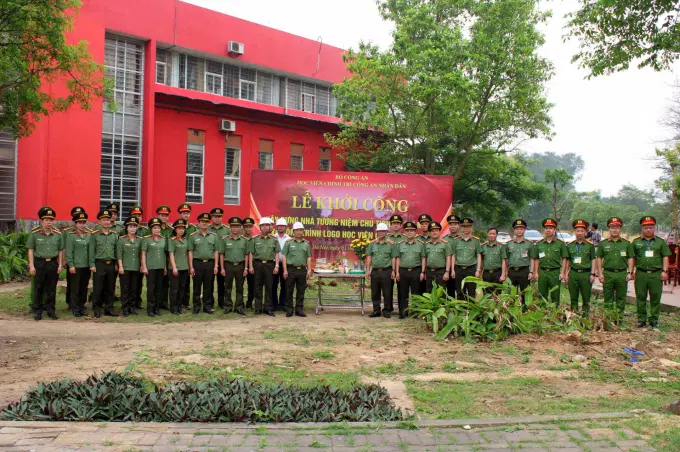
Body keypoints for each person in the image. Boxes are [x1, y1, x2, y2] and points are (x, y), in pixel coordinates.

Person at [632, 216, 671, 328]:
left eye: (650, 227)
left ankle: (654, 319)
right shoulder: (636, 242)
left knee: (655, 297)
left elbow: (665, 257)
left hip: (656, 273)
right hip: (641, 273)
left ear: (654, 228)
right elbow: (632, 257)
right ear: (642, 228)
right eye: (646, 228)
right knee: (640, 296)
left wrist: (664, 271)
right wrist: (632, 271)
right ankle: (641, 319)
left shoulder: (660, 242)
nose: (648, 230)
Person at [27, 207, 63, 320]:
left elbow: (60, 250)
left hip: (52, 263)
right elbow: (30, 250)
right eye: (46, 220)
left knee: (51, 288)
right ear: (41, 221)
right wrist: (31, 265)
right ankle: (38, 310)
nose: (49, 222)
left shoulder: (57, 234)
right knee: (39, 287)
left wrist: (60, 264)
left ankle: (50, 310)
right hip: (40, 263)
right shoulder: (35, 234)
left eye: (51, 220)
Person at [597, 217, 635, 322]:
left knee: (621, 297)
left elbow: (631, 258)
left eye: (617, 227)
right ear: (609, 229)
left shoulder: (626, 244)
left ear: (620, 229)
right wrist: (600, 273)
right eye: (612, 227)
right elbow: (599, 258)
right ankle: (608, 318)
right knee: (608, 296)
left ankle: (619, 318)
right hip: (608, 273)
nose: (615, 230)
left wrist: (630, 272)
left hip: (621, 274)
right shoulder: (603, 243)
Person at [89, 209, 120, 318]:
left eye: (108, 220)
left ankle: (109, 307)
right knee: (98, 287)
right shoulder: (94, 235)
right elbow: (91, 250)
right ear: (100, 221)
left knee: (110, 287)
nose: (106, 222)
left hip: (111, 263)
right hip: (99, 263)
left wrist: (116, 264)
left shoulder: (114, 235)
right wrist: (92, 264)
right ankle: (97, 308)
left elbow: (116, 250)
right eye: (104, 220)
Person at [532, 218, 569, 304]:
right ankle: (542, 310)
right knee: (542, 294)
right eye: (546, 228)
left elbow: (564, 259)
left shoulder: (560, 243)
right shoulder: (539, 243)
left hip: (554, 272)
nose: (548, 230)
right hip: (542, 272)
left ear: (555, 230)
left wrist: (562, 273)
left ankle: (555, 310)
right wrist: (536, 273)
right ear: (544, 230)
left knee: (555, 294)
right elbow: (536, 259)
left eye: (550, 228)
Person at [188, 213, 219, 314]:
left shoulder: (213, 236)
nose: (204, 223)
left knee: (208, 286)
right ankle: (196, 307)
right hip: (197, 263)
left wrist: (216, 265)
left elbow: (216, 251)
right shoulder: (193, 236)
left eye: (206, 222)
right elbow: (190, 251)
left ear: (209, 223)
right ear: (199, 223)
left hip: (210, 263)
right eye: (202, 221)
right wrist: (191, 267)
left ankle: (207, 306)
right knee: (197, 286)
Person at [565, 219, 597, 315]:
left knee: (586, 297)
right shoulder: (569, 246)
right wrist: (566, 274)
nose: (579, 233)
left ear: (586, 232)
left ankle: (585, 316)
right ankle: (573, 315)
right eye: (577, 231)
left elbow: (593, 259)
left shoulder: (590, 246)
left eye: (582, 231)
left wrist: (593, 274)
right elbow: (568, 261)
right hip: (573, 273)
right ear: (574, 232)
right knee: (573, 296)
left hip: (585, 274)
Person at [366, 222, 397, 318]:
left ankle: (387, 310)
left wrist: (393, 270)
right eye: (379, 231)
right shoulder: (372, 244)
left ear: (386, 232)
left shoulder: (391, 244)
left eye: (383, 231)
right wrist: (368, 270)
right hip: (375, 271)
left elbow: (393, 258)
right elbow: (369, 257)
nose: (381, 233)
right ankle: (376, 310)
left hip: (386, 271)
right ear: (377, 232)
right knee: (375, 292)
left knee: (387, 292)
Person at [250, 217, 280, 316]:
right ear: (260, 227)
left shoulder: (274, 239)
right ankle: (258, 308)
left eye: (267, 225)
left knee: (269, 286)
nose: (265, 227)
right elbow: (251, 253)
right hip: (257, 264)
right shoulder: (255, 239)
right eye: (263, 225)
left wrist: (276, 266)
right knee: (257, 286)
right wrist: (250, 266)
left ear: (270, 227)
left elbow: (276, 253)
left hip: (269, 265)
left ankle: (268, 308)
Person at [394, 221, 425, 319]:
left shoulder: (420, 244)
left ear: (415, 232)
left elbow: (423, 258)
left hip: (416, 270)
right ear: (404, 232)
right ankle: (403, 312)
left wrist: (423, 272)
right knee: (403, 292)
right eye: (407, 231)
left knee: (416, 292)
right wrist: (397, 272)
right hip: (403, 271)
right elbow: (398, 258)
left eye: (412, 230)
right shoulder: (400, 244)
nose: (409, 232)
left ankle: (415, 312)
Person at [282, 222, 312, 317]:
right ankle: (289, 309)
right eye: (297, 230)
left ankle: (299, 309)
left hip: (302, 270)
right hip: (291, 269)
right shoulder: (288, 243)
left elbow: (308, 257)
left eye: (301, 230)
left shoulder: (306, 244)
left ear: (303, 231)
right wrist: (285, 270)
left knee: (301, 290)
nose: (299, 232)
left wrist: (309, 270)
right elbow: (284, 256)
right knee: (289, 290)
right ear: (293, 231)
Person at [220, 216, 249, 315]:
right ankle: (228, 306)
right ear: (230, 227)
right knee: (227, 287)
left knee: (240, 287)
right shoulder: (225, 240)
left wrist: (246, 268)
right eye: (233, 226)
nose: (235, 228)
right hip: (228, 265)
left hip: (240, 266)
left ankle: (239, 306)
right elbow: (221, 254)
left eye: (237, 226)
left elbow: (246, 255)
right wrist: (222, 268)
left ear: (240, 228)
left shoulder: (244, 240)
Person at [66, 210, 92, 317]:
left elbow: (91, 251)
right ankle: (75, 307)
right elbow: (69, 252)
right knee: (75, 288)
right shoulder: (71, 236)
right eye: (80, 223)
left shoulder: (89, 235)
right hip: (76, 265)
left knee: (84, 287)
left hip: (86, 265)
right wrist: (71, 265)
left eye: (84, 222)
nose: (82, 225)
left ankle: (82, 306)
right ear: (75, 224)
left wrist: (91, 264)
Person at [450, 217, 482, 300]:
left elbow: (478, 255)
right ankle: (461, 307)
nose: (466, 229)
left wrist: (478, 270)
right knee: (460, 291)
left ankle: (471, 307)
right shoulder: (456, 240)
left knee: (471, 292)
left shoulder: (476, 240)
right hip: (459, 269)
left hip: (471, 269)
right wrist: (453, 270)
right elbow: (453, 255)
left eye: (468, 226)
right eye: (464, 226)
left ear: (471, 228)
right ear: (461, 228)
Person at [141, 217, 167, 317]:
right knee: (151, 289)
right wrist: (144, 267)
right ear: (151, 229)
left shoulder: (163, 239)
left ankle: (157, 308)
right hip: (151, 267)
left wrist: (165, 267)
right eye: (155, 228)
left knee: (159, 288)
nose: (157, 230)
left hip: (160, 267)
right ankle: (150, 309)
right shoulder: (146, 240)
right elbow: (143, 254)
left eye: (158, 228)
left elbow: (164, 254)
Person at [116, 217, 142, 317]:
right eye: (130, 226)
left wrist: (141, 266)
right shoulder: (121, 240)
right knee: (125, 289)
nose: (133, 228)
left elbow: (141, 254)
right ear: (126, 228)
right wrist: (120, 267)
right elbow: (119, 255)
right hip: (125, 267)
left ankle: (132, 307)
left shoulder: (139, 240)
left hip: (136, 267)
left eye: (134, 226)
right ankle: (125, 308)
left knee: (134, 288)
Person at [62, 205, 86, 310]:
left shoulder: (87, 231)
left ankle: (80, 303)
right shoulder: (67, 232)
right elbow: (64, 247)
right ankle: (70, 302)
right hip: (71, 260)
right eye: (76, 215)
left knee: (82, 283)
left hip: (83, 261)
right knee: (71, 282)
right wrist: (64, 260)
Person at [505, 219, 534, 306]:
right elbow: (506, 259)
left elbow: (532, 258)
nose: (519, 231)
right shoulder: (509, 244)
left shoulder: (529, 244)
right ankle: (511, 309)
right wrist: (505, 271)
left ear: (525, 230)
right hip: (512, 271)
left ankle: (524, 310)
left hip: (524, 271)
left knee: (525, 292)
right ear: (514, 230)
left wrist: (531, 272)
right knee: (511, 293)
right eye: (517, 229)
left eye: (521, 229)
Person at [168, 218, 189, 315]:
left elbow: (187, 254)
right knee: (174, 289)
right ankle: (173, 307)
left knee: (182, 288)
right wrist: (174, 267)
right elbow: (171, 254)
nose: (181, 230)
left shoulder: (185, 240)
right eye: (179, 228)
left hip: (184, 267)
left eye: (183, 228)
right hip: (175, 268)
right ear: (175, 229)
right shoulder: (172, 240)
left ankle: (179, 306)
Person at [129, 205, 149, 309]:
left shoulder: (145, 231)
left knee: (139, 282)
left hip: (141, 260)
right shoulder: (126, 229)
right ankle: (128, 302)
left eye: (139, 215)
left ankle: (137, 302)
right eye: (135, 215)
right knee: (129, 283)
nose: (137, 217)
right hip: (129, 260)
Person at [209, 208, 228, 309]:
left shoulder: (226, 230)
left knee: (222, 282)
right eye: (215, 216)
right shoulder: (207, 229)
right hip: (211, 259)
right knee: (209, 282)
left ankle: (222, 302)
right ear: (211, 217)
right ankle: (210, 302)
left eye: (219, 216)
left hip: (223, 259)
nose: (217, 218)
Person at [423, 221, 451, 294]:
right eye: (432, 231)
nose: (434, 232)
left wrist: (447, 272)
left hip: (440, 271)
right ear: (429, 233)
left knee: (441, 292)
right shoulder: (427, 244)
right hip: (429, 271)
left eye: (436, 230)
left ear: (439, 231)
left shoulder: (445, 244)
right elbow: (424, 258)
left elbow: (448, 258)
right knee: (429, 292)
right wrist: (424, 272)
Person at [178, 203, 196, 309]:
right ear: (180, 214)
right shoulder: (176, 227)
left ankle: (186, 302)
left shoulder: (193, 228)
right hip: (180, 256)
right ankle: (178, 301)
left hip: (190, 255)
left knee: (187, 281)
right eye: (183, 213)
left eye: (187, 213)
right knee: (179, 281)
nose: (185, 215)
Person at [156, 205, 173, 310]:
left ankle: (164, 302)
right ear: (158, 216)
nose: (164, 217)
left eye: (166, 215)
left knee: (166, 281)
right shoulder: (154, 228)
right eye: (162, 215)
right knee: (157, 281)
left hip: (168, 257)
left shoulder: (171, 230)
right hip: (157, 256)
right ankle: (156, 302)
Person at [480, 227, 508, 292]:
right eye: (490, 234)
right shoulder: (483, 246)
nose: (491, 235)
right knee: (486, 292)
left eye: (493, 234)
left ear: (496, 235)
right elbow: (481, 260)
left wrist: (503, 274)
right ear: (487, 234)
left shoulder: (501, 246)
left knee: (497, 293)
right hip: (486, 273)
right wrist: (480, 273)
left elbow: (503, 261)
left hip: (497, 272)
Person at [272, 217, 291, 311]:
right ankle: (274, 304)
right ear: (276, 227)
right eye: (279, 226)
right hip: (274, 264)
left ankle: (283, 304)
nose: (281, 227)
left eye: (283, 226)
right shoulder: (273, 237)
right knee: (273, 284)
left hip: (285, 265)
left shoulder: (289, 239)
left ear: (286, 227)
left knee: (285, 285)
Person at [387, 214, 405, 313]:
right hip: (388, 267)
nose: (396, 225)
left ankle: (401, 309)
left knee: (401, 288)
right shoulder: (386, 238)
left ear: (401, 225)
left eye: (398, 223)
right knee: (388, 289)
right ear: (390, 225)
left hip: (401, 267)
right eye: (394, 223)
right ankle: (388, 308)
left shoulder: (405, 238)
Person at [445, 214, 461, 298]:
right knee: (449, 291)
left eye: (455, 224)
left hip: (460, 268)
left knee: (461, 291)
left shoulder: (463, 238)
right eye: (451, 224)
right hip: (448, 268)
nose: (453, 226)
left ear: (458, 225)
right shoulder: (444, 239)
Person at [242, 217, 256, 309]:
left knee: (252, 285)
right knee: (240, 284)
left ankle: (249, 302)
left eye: (250, 226)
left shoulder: (255, 239)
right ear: (243, 227)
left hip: (253, 264)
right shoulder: (240, 238)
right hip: (241, 264)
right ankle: (240, 302)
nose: (248, 228)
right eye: (246, 226)